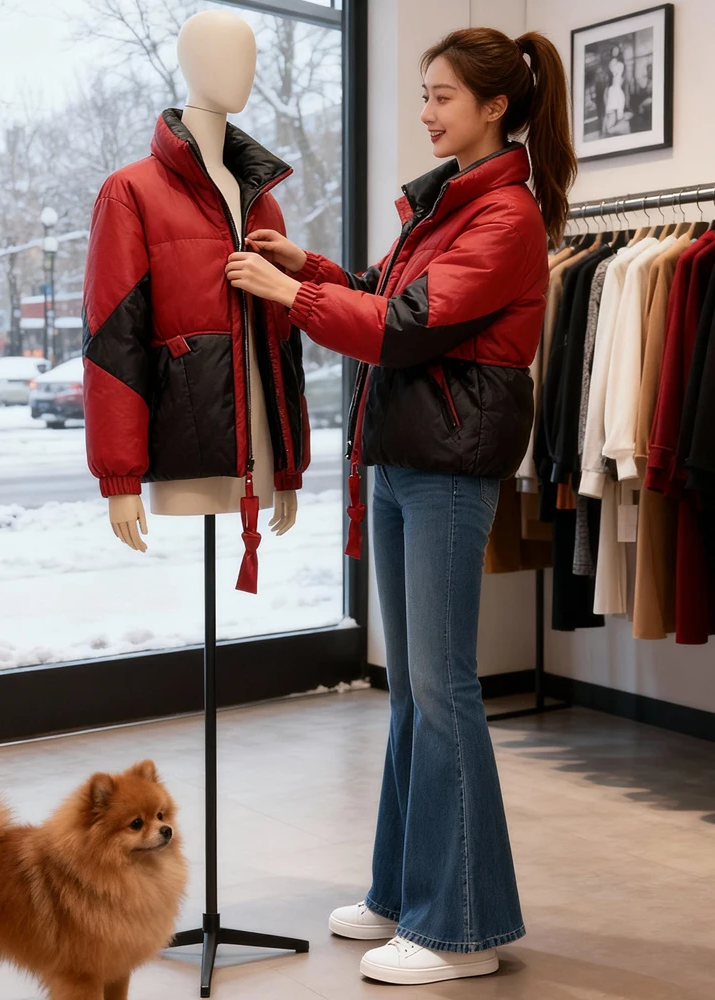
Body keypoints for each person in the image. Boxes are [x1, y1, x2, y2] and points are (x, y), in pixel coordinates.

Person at [225, 26, 576, 986]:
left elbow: (407, 328)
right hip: (403, 460)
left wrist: (287, 298)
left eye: (441, 97)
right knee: (414, 693)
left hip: (448, 471)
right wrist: (308, 267)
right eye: (423, 95)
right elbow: (384, 291)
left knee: (444, 690)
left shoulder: (504, 216)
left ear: (496, 106)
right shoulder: (449, 206)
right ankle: (404, 891)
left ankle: (461, 932)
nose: (425, 112)